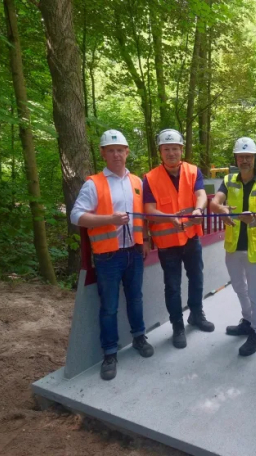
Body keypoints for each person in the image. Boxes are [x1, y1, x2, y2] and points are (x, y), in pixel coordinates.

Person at [70, 130, 154, 381]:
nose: (116, 154)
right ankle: (109, 353)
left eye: (120, 150)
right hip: (108, 256)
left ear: (127, 152)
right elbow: (76, 216)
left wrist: (146, 239)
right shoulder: (93, 183)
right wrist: (110, 220)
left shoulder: (137, 182)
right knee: (109, 307)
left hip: (134, 252)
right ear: (103, 153)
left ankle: (139, 338)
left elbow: (143, 215)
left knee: (136, 299)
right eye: (111, 150)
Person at [143, 129, 214, 349]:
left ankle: (196, 314)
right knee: (172, 286)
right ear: (160, 152)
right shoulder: (150, 178)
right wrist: (168, 218)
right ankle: (177, 326)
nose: (171, 153)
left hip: (191, 237)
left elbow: (201, 194)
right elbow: (148, 209)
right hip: (167, 244)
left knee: (197, 278)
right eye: (167, 149)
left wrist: (198, 209)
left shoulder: (193, 172)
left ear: (181, 149)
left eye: (175, 148)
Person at [210, 137, 256, 356]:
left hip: (254, 247)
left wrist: (251, 217)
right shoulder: (228, 181)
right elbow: (214, 202)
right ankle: (248, 320)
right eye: (241, 156)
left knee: (255, 290)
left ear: (254, 158)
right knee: (238, 286)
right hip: (233, 245)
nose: (245, 160)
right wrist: (222, 210)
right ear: (236, 159)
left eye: (248, 156)